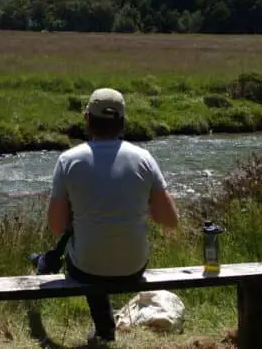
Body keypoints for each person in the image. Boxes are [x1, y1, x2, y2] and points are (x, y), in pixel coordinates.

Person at [47, 87, 179, 345]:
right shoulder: (144, 159)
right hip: (133, 267)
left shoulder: (68, 161)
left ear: (87, 120)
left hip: (86, 269)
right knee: (100, 252)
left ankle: (104, 330)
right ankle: (105, 330)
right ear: (123, 122)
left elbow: (56, 225)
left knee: (88, 257)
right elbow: (170, 219)